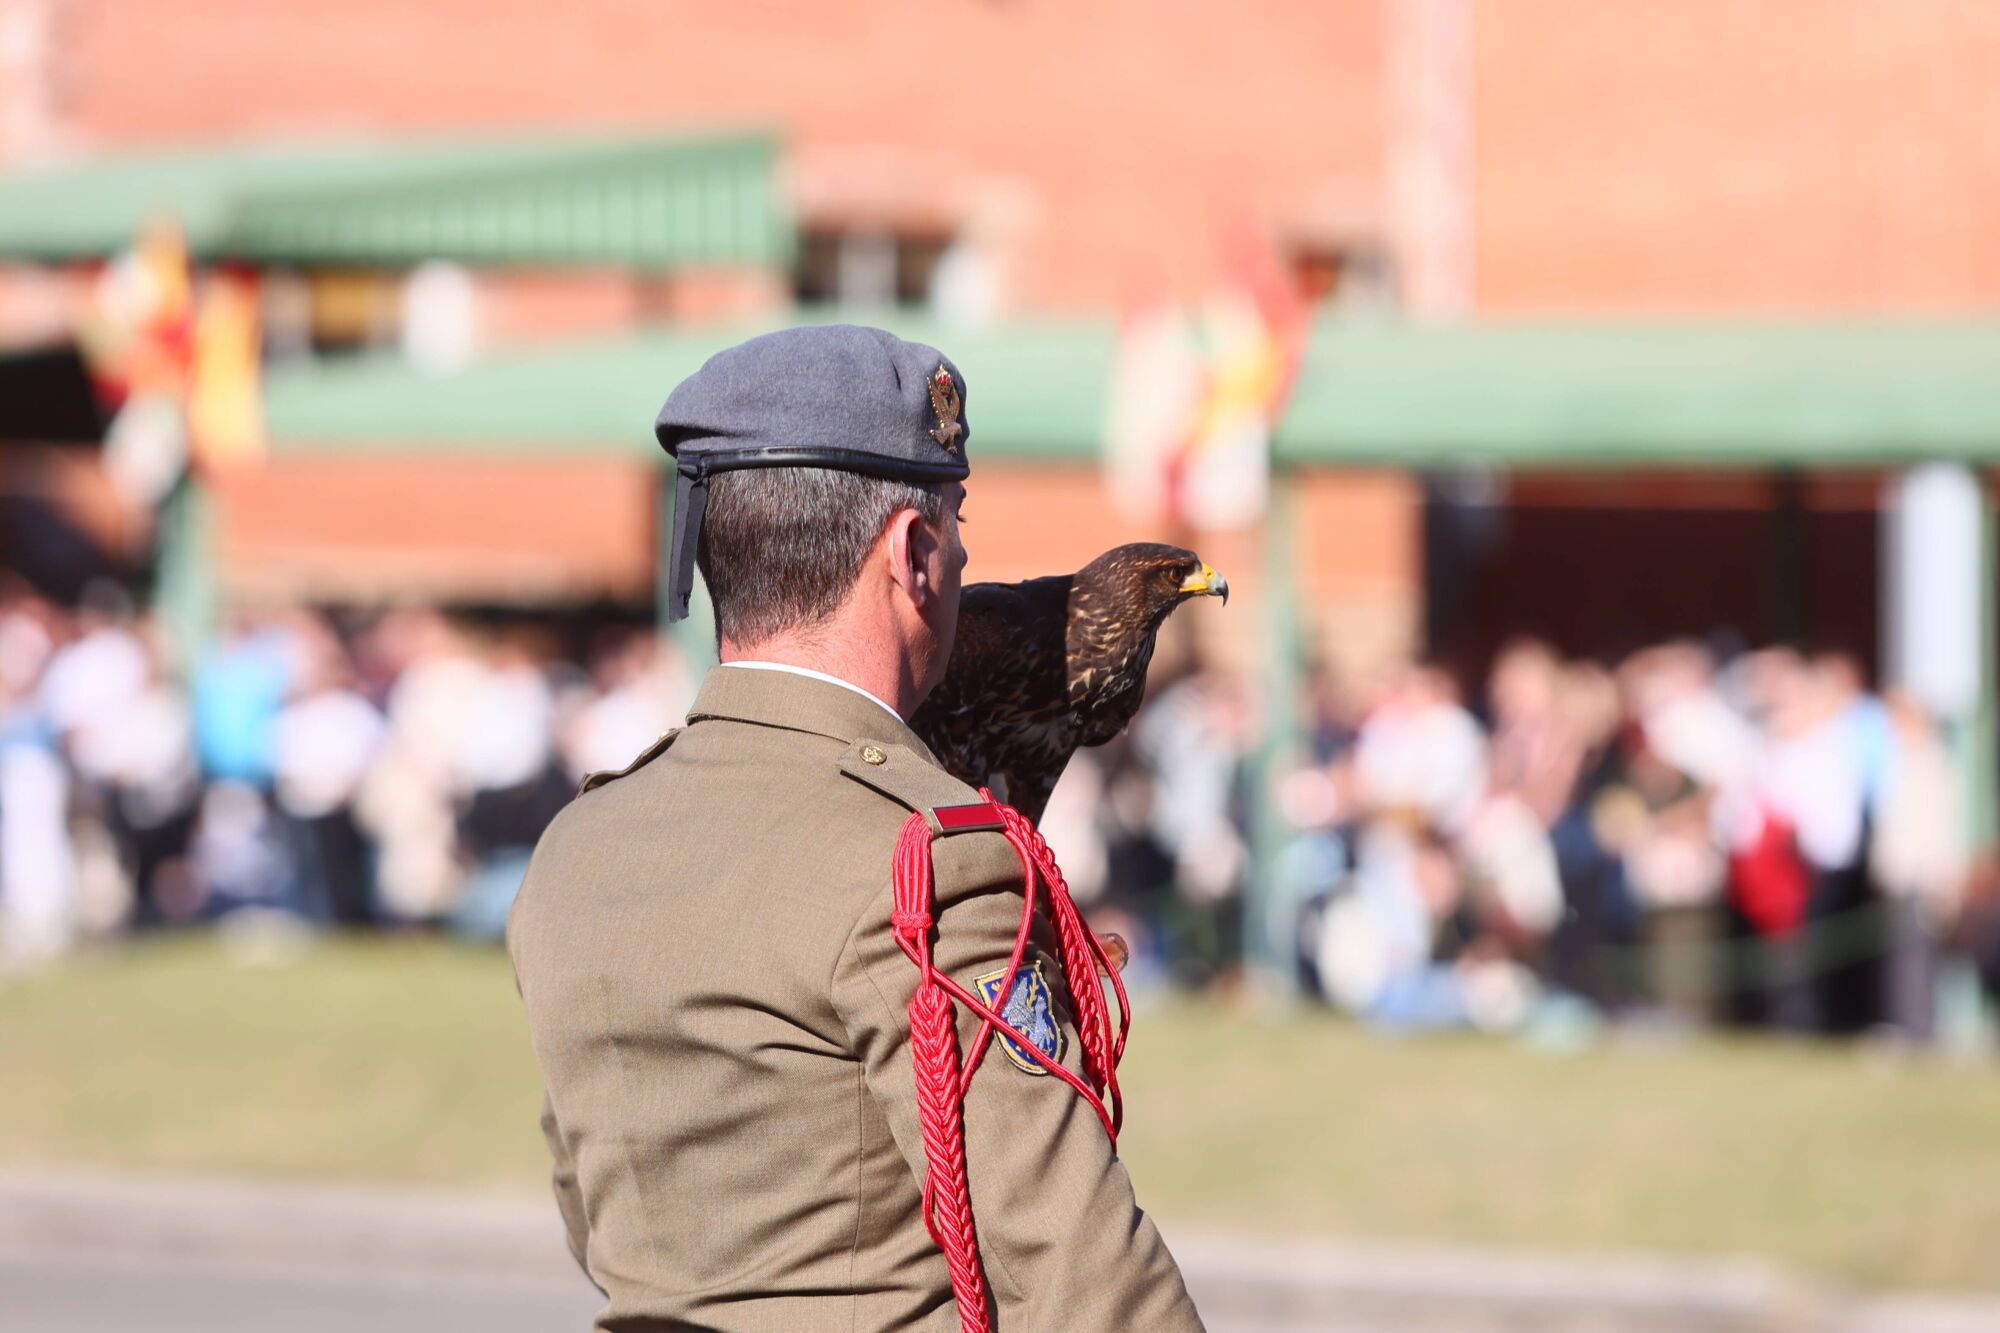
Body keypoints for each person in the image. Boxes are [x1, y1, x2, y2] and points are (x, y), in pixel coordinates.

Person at [507, 325, 1202, 1332]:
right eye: (956, 519)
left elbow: (596, 1214)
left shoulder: (583, 845)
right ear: (914, 555)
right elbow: (1081, 1274)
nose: (967, 553)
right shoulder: (927, 863)